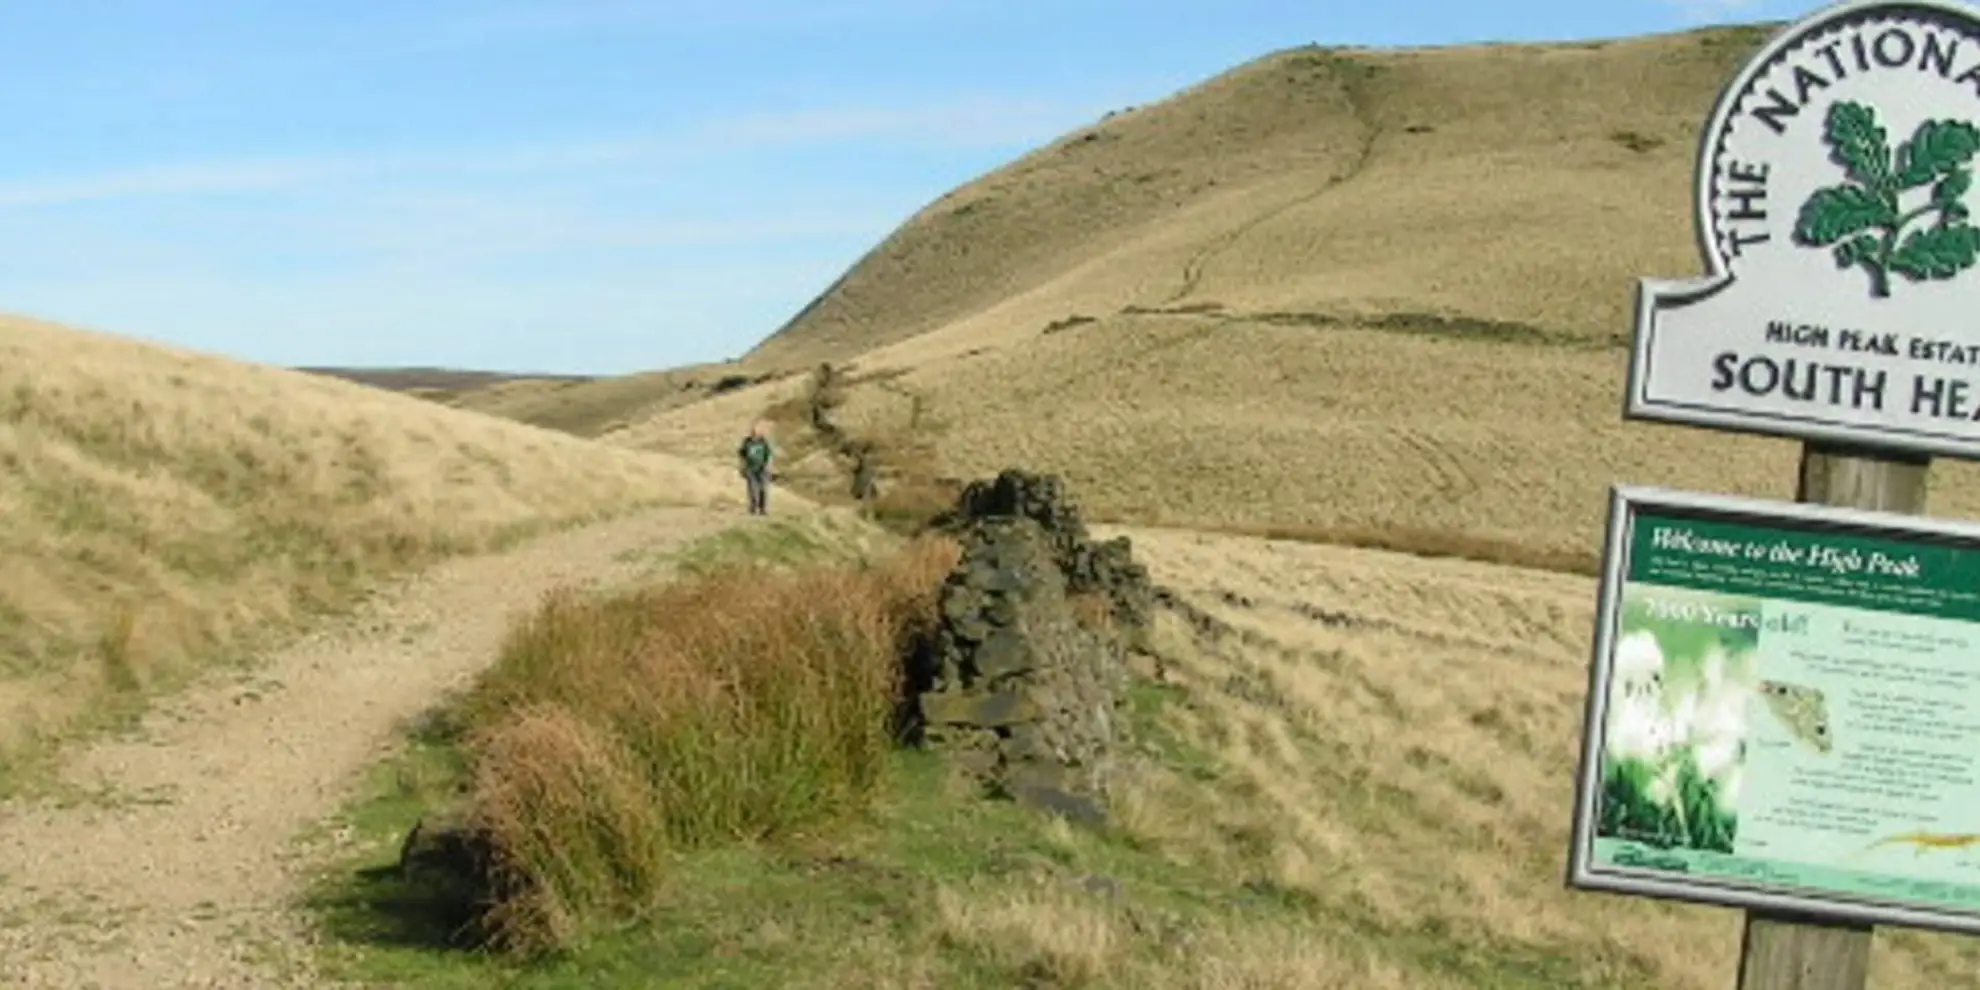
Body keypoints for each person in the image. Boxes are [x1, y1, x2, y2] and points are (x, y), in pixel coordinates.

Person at [738, 422, 774, 515]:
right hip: (751, 468)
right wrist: (742, 466)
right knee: (752, 489)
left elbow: (769, 454)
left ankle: (763, 509)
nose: (754, 434)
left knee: (763, 489)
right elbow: (742, 455)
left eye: (756, 432)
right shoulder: (747, 442)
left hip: (762, 468)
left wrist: (768, 466)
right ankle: (753, 508)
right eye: (753, 432)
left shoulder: (763, 442)